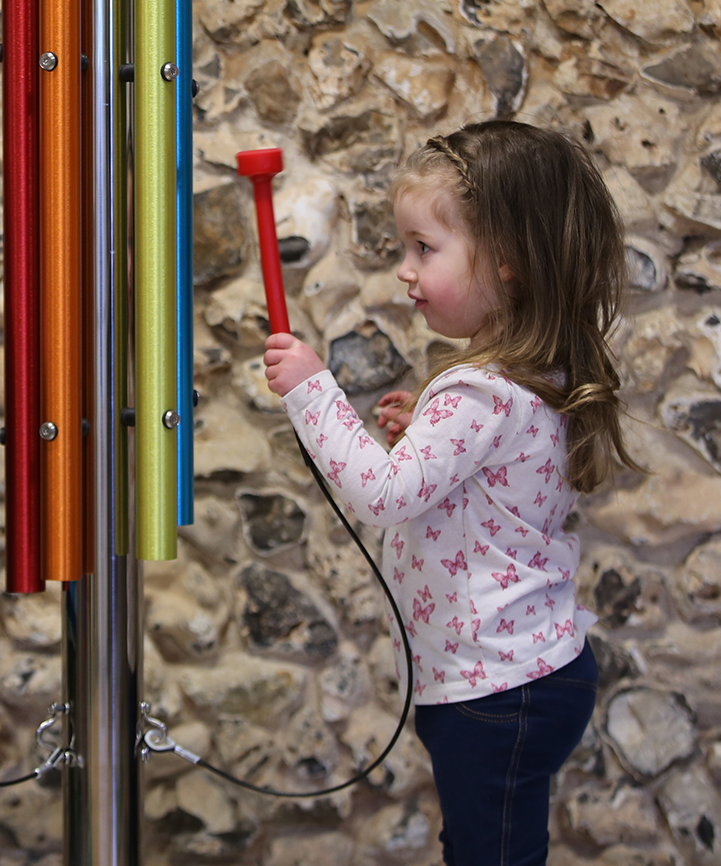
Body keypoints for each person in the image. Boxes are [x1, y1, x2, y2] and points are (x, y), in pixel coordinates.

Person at [263, 120, 638, 866]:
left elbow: (384, 495)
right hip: (514, 680)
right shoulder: (529, 376)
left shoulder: (478, 392)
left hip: (495, 693)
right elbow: (478, 488)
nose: (405, 269)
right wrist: (419, 440)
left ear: (508, 265)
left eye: (424, 249)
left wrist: (314, 392)